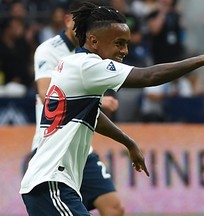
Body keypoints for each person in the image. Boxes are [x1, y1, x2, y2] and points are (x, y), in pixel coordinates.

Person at [20, 3, 204, 215]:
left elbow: (93, 116)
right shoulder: (87, 66)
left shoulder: (75, 66)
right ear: (94, 40)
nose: (124, 50)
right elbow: (149, 76)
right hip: (51, 183)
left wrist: (128, 142)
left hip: (50, 182)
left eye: (126, 43)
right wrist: (201, 60)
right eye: (119, 43)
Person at [22, 1, 125, 216]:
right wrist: (98, 101)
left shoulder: (94, 54)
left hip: (80, 148)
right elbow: (45, 92)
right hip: (53, 144)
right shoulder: (49, 50)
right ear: (67, 21)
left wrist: (128, 142)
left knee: (114, 206)